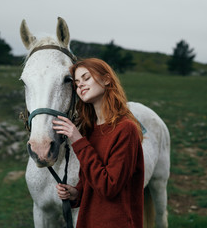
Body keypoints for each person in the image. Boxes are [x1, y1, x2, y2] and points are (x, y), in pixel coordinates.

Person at [52, 58, 144, 228]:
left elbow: (109, 187)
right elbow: (93, 181)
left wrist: (78, 140)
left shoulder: (125, 129)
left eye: (86, 78)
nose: (80, 85)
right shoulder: (90, 130)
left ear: (107, 79)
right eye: (77, 83)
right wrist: (76, 193)